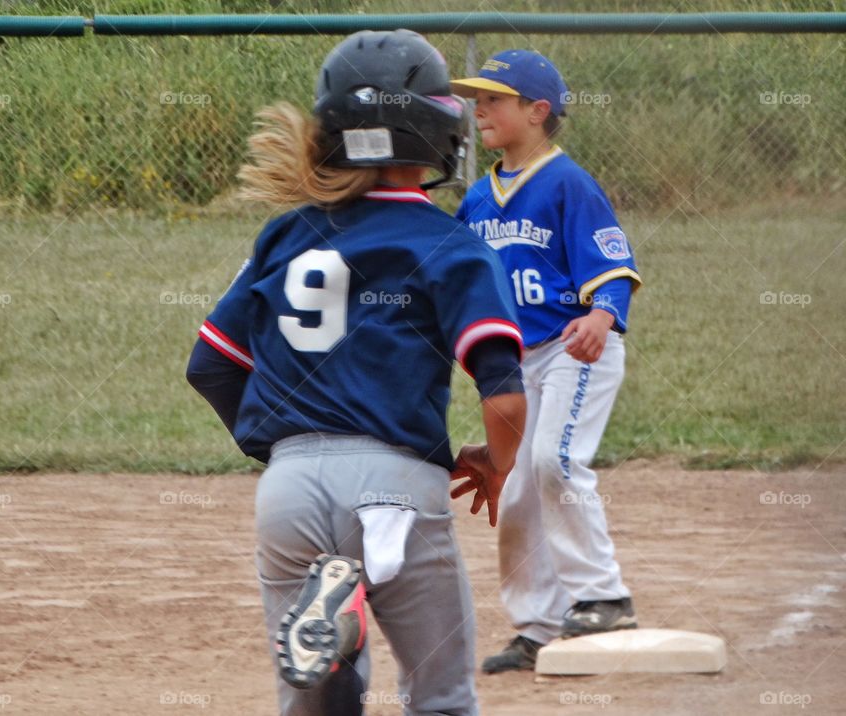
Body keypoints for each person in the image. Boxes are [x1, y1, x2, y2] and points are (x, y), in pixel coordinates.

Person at [186, 30, 527, 715]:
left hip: (288, 492)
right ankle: (348, 623)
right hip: (397, 489)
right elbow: (505, 396)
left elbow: (212, 367)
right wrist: (496, 462)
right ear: (434, 132)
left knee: (311, 705)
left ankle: (339, 652)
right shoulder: (446, 242)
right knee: (442, 697)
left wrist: (286, 449)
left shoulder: (286, 236)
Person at [449, 50, 643, 674]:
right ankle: (538, 627)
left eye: (494, 99)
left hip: (574, 347)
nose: (480, 108)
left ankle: (604, 595)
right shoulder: (478, 199)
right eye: (476, 98)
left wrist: (602, 315)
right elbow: (452, 277)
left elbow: (613, 266)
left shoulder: (568, 183)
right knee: (516, 493)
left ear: (537, 113)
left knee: (553, 461)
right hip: (514, 365)